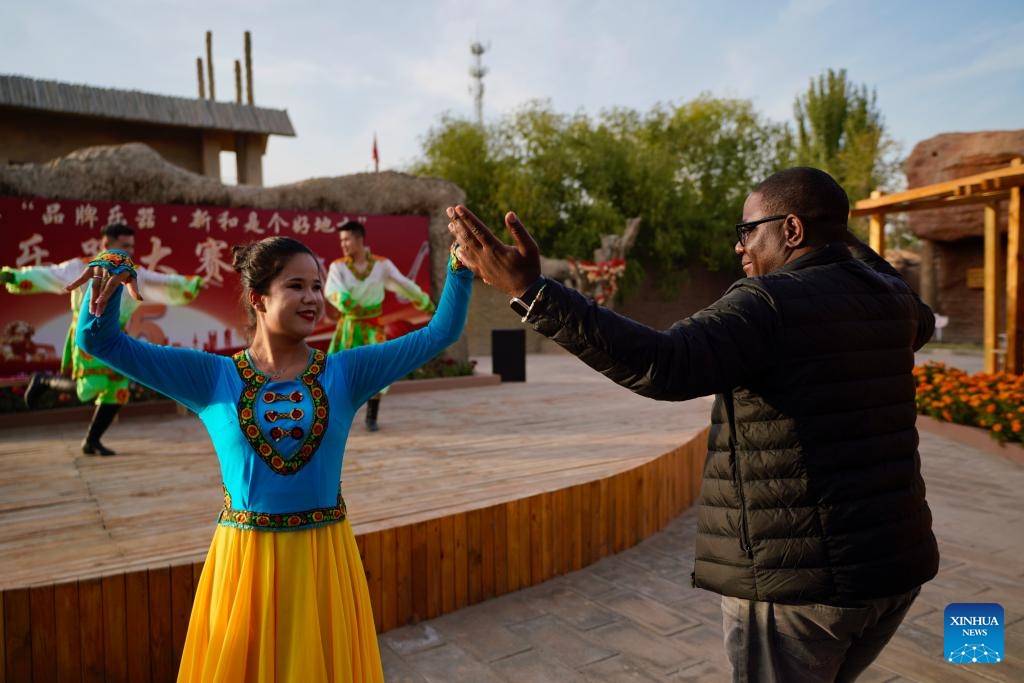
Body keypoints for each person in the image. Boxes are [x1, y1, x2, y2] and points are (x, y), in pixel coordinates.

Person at [446, 167, 939, 683]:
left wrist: (532, 290)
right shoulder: (894, 299)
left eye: (748, 230)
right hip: (892, 573)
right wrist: (836, 234)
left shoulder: (769, 304)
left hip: (799, 588)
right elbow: (913, 311)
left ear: (791, 231)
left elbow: (666, 363)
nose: (739, 246)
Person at [72, 235, 473, 681]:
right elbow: (98, 341)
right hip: (245, 569)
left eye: (317, 287)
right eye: (296, 286)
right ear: (259, 299)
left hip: (322, 566)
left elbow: (441, 332)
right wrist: (111, 268)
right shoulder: (212, 378)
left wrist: (459, 266)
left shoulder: (346, 372)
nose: (312, 298)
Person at [0, 223, 202, 455]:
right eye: (124, 246)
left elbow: (162, 282)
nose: (129, 251)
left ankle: (91, 440)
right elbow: (48, 274)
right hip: (89, 334)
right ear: (106, 244)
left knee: (118, 390)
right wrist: (13, 276)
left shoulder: (133, 272)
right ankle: (44, 381)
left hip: (118, 336)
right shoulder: (79, 266)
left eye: (131, 246)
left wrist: (190, 284)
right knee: (88, 388)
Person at [325, 220, 436, 431]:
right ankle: (335, 418)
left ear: (359, 239)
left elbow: (403, 283)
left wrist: (424, 302)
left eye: (347, 239)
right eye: (342, 241)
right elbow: (332, 289)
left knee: (377, 369)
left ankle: (371, 417)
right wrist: (346, 301)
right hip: (349, 327)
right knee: (339, 371)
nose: (344, 245)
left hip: (373, 326)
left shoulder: (381, 264)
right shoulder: (337, 266)